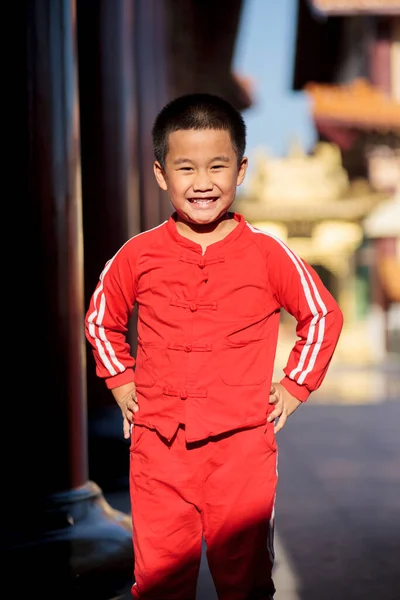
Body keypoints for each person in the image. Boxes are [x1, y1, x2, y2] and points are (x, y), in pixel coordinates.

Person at [84, 92, 344, 600]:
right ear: (161, 174)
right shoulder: (138, 255)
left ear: (241, 170)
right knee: (159, 580)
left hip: (242, 450)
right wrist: (121, 383)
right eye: (185, 168)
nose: (202, 183)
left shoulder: (269, 255)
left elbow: (321, 313)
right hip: (158, 449)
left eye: (217, 166)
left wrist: (294, 385)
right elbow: (101, 320)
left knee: (244, 581)